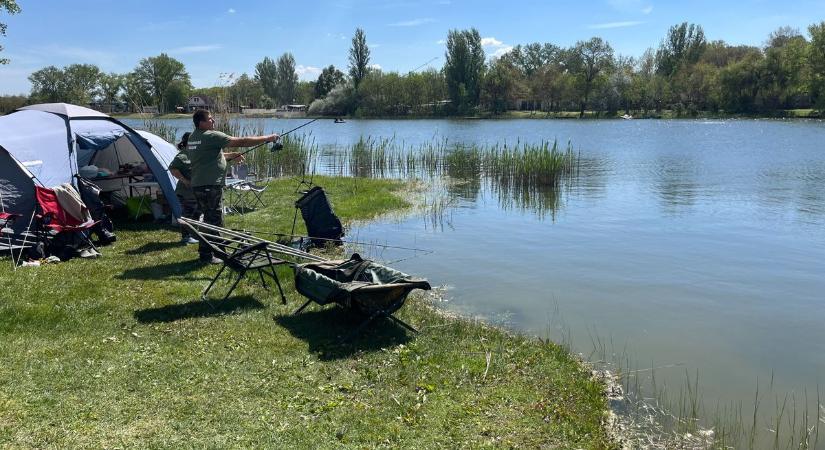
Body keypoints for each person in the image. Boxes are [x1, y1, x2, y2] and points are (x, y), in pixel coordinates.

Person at [188, 109, 279, 264]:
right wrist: (268, 138)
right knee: (215, 221)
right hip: (210, 185)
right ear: (202, 123)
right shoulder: (211, 135)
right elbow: (242, 141)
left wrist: (230, 155)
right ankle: (217, 255)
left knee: (208, 220)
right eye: (211, 119)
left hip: (198, 184)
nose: (213, 122)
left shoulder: (193, 137)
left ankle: (206, 254)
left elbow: (208, 156)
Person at [168, 132, 201, 244]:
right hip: (185, 192)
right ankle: (185, 237)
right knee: (187, 214)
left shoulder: (197, 154)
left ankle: (194, 234)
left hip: (195, 191)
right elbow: (173, 169)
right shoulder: (183, 155)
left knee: (197, 213)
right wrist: (184, 180)